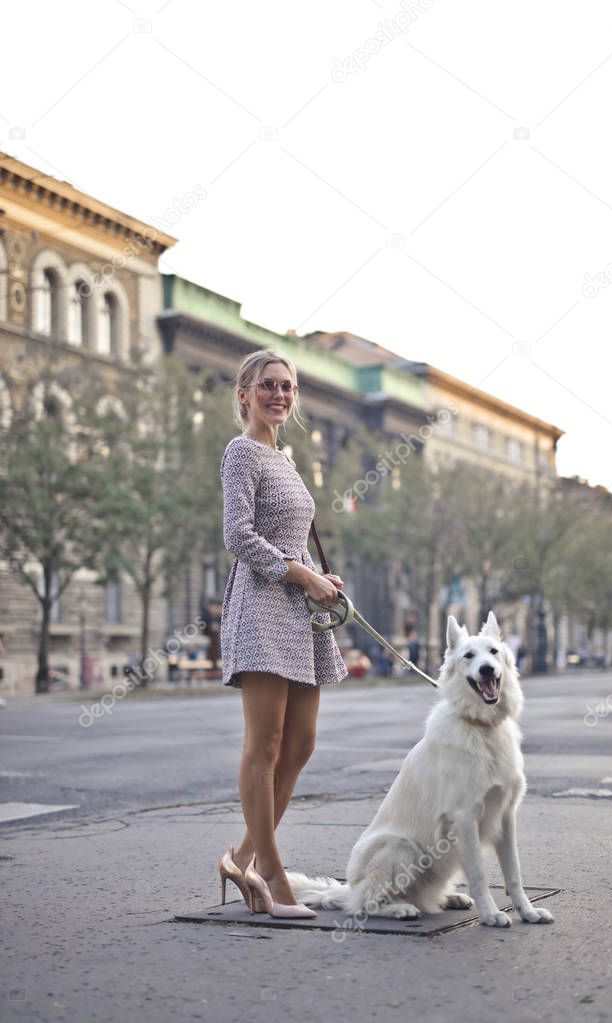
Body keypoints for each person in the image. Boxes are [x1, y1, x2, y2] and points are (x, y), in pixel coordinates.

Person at [217, 349, 348, 919]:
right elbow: (238, 537)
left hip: (300, 610)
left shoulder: (287, 459)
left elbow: (291, 537)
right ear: (245, 393)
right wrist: (301, 574)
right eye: (268, 385)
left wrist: (321, 578)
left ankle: (240, 856)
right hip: (263, 608)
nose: (280, 394)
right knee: (264, 746)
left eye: (288, 387)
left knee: (301, 744)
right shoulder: (241, 452)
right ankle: (267, 871)